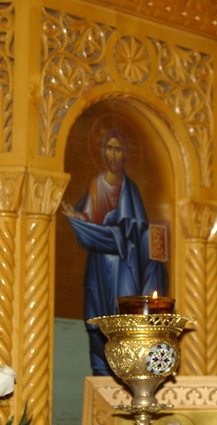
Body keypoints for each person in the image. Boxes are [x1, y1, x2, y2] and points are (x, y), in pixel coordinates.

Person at [62, 129, 168, 376]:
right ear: (102, 153)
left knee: (124, 324)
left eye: (117, 149)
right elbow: (87, 218)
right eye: (108, 148)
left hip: (125, 266)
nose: (112, 154)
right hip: (99, 265)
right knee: (97, 321)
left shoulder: (130, 189)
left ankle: (128, 376)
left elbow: (138, 231)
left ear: (126, 155)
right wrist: (76, 217)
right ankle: (101, 381)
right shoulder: (96, 184)